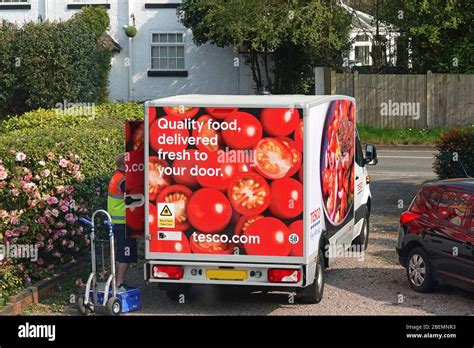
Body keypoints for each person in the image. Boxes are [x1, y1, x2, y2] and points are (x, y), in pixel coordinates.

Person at [107, 153, 137, 289]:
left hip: (116, 222)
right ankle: (119, 283)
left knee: (121, 252)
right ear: (124, 165)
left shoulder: (116, 177)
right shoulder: (124, 180)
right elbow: (133, 197)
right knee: (125, 253)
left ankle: (117, 282)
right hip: (123, 223)